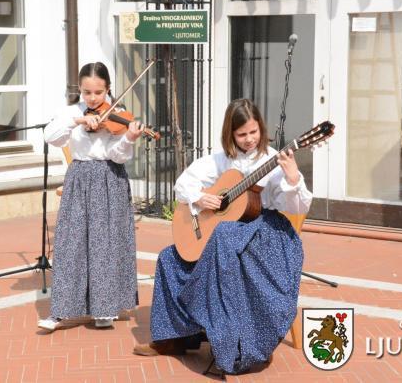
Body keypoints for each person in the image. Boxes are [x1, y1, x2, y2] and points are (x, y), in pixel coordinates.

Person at [133, 99, 312, 374]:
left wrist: (293, 178)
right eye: (242, 134)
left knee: (224, 237)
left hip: (264, 234)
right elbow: (183, 184)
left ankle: (238, 345)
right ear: (230, 135)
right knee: (170, 257)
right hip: (227, 234)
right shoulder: (220, 160)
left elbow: (298, 207)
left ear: (261, 129)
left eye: (254, 132)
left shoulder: (274, 159)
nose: (249, 139)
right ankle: (174, 338)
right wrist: (200, 198)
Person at [38, 62, 144, 331]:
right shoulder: (71, 111)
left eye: (98, 92)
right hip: (79, 177)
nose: (93, 98)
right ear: (80, 89)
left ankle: (104, 309)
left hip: (109, 178)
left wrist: (129, 138)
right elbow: (51, 136)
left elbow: (118, 156)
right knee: (70, 243)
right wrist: (79, 120)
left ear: (108, 89)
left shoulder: (117, 114)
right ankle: (60, 311)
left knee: (105, 245)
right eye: (87, 92)